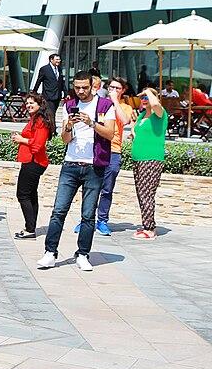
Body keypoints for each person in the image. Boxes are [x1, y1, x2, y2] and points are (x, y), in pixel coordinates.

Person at [39, 72, 114, 272]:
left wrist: (91, 123)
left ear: (93, 86)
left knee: (88, 214)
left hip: (94, 166)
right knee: (58, 211)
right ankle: (50, 252)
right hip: (70, 165)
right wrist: (69, 127)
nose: (80, 91)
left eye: (85, 87)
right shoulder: (69, 105)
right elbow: (64, 139)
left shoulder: (105, 106)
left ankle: (82, 254)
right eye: (77, 87)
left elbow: (110, 133)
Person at [85, 76, 134, 235]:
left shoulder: (125, 107)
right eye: (111, 88)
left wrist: (115, 101)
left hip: (113, 150)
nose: (113, 90)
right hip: (97, 148)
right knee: (91, 188)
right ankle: (86, 220)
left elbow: (125, 120)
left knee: (107, 189)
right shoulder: (100, 104)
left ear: (123, 91)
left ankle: (102, 220)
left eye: (117, 88)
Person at [11, 92, 53, 238]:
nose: (28, 105)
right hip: (31, 160)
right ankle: (31, 227)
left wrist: (21, 139)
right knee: (31, 194)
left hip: (34, 162)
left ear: (39, 104)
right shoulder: (35, 119)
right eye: (27, 103)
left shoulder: (40, 121)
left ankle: (30, 229)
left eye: (32, 103)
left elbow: (37, 145)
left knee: (22, 194)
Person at [131, 87, 168, 240]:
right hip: (138, 159)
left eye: (147, 98)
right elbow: (135, 132)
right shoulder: (141, 116)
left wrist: (149, 92)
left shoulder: (160, 114)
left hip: (151, 159)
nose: (144, 100)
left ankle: (149, 228)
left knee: (147, 193)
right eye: (143, 98)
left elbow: (155, 105)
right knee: (141, 193)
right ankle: (146, 223)